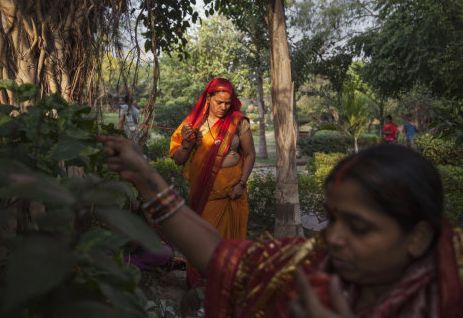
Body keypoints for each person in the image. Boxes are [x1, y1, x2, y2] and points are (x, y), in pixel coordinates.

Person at [98, 136, 463, 318]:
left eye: (359, 228)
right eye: (333, 220)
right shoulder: (306, 267)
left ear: (418, 237)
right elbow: (222, 258)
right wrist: (145, 178)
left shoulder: (448, 300)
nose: (332, 238)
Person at [169, 78, 256, 287]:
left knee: (230, 244)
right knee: (202, 240)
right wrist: (188, 144)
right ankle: (200, 287)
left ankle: (227, 287)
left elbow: (251, 154)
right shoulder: (192, 125)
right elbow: (178, 158)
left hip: (233, 193)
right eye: (219, 102)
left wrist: (241, 183)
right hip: (205, 194)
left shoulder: (238, 121)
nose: (224, 108)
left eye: (227, 103)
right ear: (208, 98)